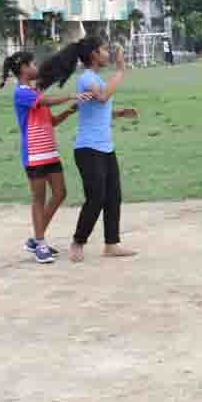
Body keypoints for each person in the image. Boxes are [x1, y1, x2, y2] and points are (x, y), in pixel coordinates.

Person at [0, 49, 84, 264]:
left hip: (50, 150)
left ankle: (36, 240)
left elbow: (51, 121)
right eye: (33, 64)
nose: (36, 67)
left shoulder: (34, 91)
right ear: (24, 68)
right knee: (39, 198)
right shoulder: (21, 92)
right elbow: (45, 101)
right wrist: (70, 95)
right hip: (34, 153)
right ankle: (40, 242)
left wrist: (70, 111)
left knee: (60, 193)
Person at [69, 38, 139, 262]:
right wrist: (120, 70)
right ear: (93, 55)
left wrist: (118, 113)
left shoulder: (97, 78)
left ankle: (111, 244)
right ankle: (78, 242)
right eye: (103, 50)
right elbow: (101, 97)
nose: (107, 53)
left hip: (105, 147)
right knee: (96, 197)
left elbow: (96, 110)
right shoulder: (86, 78)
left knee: (113, 197)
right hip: (88, 148)